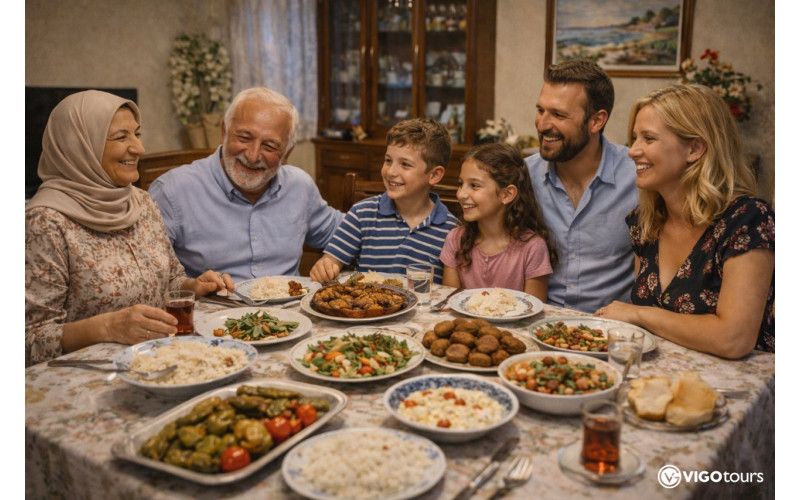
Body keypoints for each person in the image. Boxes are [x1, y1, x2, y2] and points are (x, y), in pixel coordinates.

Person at [25, 90, 232, 367]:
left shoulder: (142, 202)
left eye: (137, 134)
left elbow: (170, 280)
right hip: (90, 376)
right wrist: (107, 327)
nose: (139, 148)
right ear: (80, 145)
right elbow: (29, 340)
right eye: (122, 137)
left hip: (160, 362)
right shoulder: (44, 222)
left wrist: (193, 286)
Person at [596, 84, 774, 359]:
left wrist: (639, 313)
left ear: (695, 148)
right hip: (658, 379)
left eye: (649, 139)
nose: (633, 151)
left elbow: (734, 338)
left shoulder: (747, 219)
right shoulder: (645, 223)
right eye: (634, 138)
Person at [149, 87, 343, 283]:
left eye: (269, 146)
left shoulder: (300, 187)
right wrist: (190, 286)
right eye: (244, 138)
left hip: (291, 311)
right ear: (224, 132)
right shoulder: (172, 192)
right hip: (211, 311)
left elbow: (355, 231)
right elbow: (146, 280)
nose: (252, 155)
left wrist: (331, 259)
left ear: (287, 153)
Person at [524, 58, 638, 312]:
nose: (542, 124)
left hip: (609, 330)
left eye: (558, 114)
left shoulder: (638, 178)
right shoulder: (523, 177)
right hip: (537, 323)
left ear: (596, 121)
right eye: (541, 110)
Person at [309, 118, 460, 284]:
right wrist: (325, 266)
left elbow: (448, 295)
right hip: (366, 305)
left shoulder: (451, 230)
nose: (391, 171)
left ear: (434, 175)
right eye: (388, 160)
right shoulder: (362, 214)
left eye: (405, 164)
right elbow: (331, 260)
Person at [440, 143, 556, 300]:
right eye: (461, 184)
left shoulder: (532, 247)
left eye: (474, 185)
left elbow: (533, 310)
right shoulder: (455, 239)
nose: (461, 194)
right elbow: (449, 303)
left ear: (507, 194)